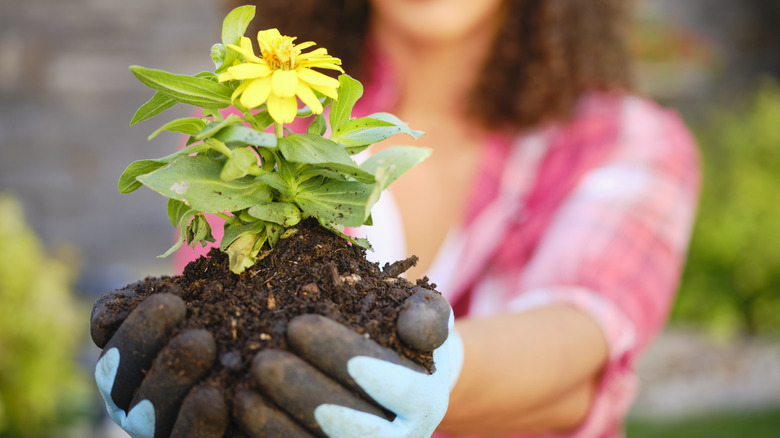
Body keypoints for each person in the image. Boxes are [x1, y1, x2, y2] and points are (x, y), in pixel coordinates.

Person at [95, 0, 701, 437]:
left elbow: (579, 346)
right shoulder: (269, 130)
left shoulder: (626, 140)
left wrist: (429, 370)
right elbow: (223, 300)